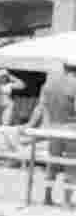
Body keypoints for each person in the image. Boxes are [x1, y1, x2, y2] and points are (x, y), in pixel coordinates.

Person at [31, 64, 76, 207]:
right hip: (71, 129)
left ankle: (47, 197)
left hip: (53, 129)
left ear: (64, 68)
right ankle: (67, 201)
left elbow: (39, 107)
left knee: (52, 164)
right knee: (71, 166)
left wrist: (29, 124)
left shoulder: (48, 84)